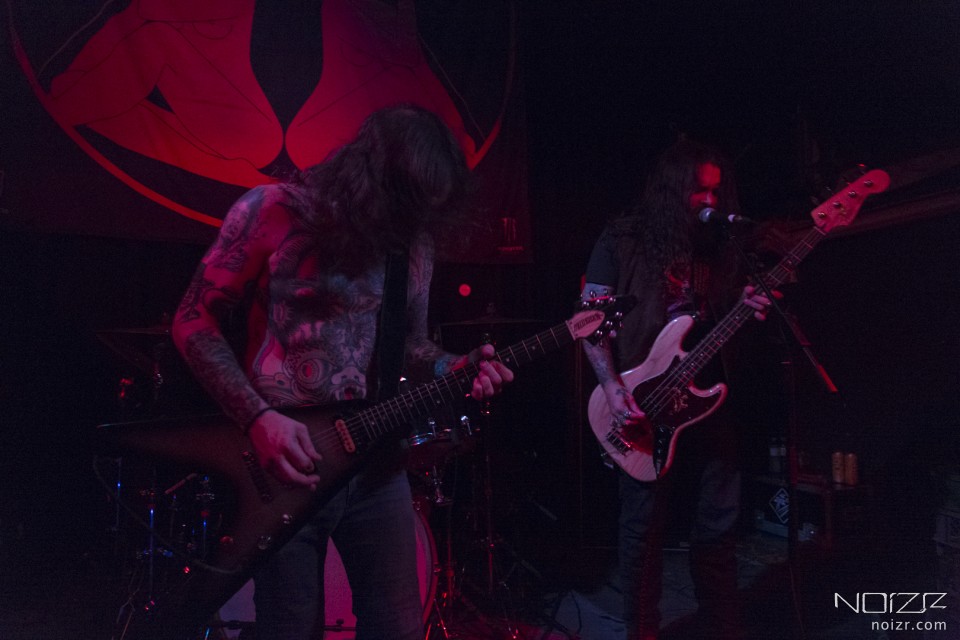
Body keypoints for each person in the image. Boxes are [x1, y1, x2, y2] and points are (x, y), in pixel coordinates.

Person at [171, 104, 514, 640]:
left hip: (377, 466)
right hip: (286, 467)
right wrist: (258, 419)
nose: (416, 220)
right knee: (289, 628)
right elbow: (193, 320)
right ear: (373, 178)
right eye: (409, 202)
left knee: (399, 628)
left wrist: (455, 365)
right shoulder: (273, 210)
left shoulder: (412, 244)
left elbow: (409, 344)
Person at [580, 138, 776, 640]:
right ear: (671, 189)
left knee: (718, 528)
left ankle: (722, 630)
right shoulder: (622, 238)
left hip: (709, 402)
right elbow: (589, 322)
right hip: (642, 403)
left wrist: (747, 306)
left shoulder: (722, 247)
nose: (709, 201)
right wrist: (613, 390)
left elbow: (719, 319)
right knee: (642, 534)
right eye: (698, 190)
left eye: (715, 190)